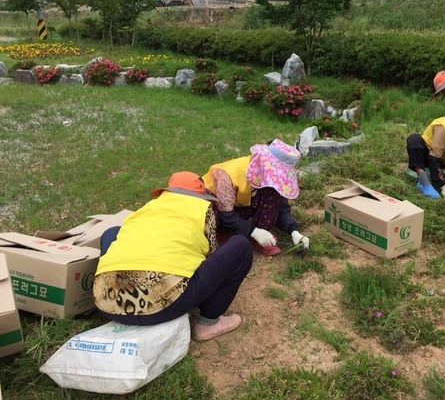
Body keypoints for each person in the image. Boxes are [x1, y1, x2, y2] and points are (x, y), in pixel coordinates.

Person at [93, 171, 253, 341]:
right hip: (162, 305)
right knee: (240, 246)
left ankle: (107, 282)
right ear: (201, 195)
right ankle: (208, 323)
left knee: (112, 233)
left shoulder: (146, 209)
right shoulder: (203, 210)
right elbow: (211, 254)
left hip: (106, 303)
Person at [202, 139, 310, 257]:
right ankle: (221, 234)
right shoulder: (227, 175)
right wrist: (253, 231)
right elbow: (225, 214)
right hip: (215, 206)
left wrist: (293, 230)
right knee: (211, 214)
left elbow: (280, 206)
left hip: (237, 206)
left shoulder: (267, 178)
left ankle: (257, 238)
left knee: (271, 194)